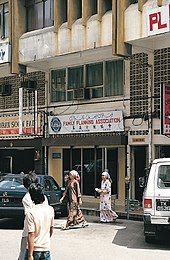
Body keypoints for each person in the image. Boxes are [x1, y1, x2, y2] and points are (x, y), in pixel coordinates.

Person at [18, 172, 48, 260]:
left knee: (24, 255)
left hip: (30, 231)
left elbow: (29, 218)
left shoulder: (26, 198)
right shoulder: (43, 197)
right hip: (43, 231)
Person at [24, 183, 54, 260]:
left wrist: (30, 255)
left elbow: (31, 234)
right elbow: (51, 230)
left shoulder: (30, 213)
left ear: (31, 197)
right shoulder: (50, 209)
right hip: (46, 249)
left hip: (34, 250)